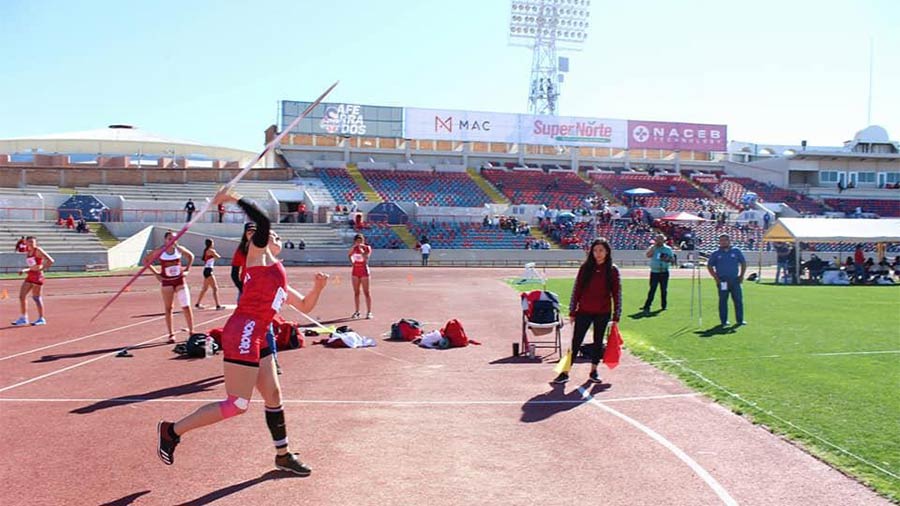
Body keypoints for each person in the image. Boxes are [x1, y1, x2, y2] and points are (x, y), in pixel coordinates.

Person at [157, 185, 328, 476]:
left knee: (273, 395)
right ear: (254, 240)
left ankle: (283, 455)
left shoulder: (277, 274)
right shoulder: (257, 258)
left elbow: (306, 307)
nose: (275, 236)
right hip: (244, 331)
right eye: (269, 235)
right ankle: (172, 431)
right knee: (237, 404)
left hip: (258, 334)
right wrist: (232, 198)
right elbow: (262, 223)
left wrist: (318, 288)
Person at [552, 238, 622, 384]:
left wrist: (617, 314)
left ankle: (594, 370)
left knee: (598, 342)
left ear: (607, 252)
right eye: (595, 250)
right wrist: (572, 311)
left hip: (603, 312)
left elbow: (617, 293)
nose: (598, 253)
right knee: (576, 341)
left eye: (601, 250)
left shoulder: (612, 270)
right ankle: (565, 372)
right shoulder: (585, 268)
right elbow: (577, 289)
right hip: (584, 310)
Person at [232, 222, 282, 374]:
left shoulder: (263, 249)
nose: (251, 234)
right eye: (249, 232)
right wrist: (243, 290)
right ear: (245, 234)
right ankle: (245, 360)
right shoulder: (241, 251)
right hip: (247, 292)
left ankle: (273, 360)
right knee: (244, 326)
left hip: (263, 292)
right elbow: (234, 274)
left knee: (268, 327)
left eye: (254, 231)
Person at [144, 230, 195, 343]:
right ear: (165, 240)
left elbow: (191, 256)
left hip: (179, 280)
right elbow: (146, 260)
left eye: (174, 239)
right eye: (169, 239)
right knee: (169, 308)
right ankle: (171, 334)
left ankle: (192, 331)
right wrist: (156, 274)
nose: (172, 241)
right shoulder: (160, 250)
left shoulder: (179, 249)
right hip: (167, 282)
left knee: (186, 306)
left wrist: (187, 270)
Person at [10, 236, 54, 326]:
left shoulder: (38, 250)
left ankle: (41, 318)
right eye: (30, 241)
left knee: (36, 298)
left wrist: (42, 269)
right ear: (26, 242)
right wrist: (24, 270)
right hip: (30, 275)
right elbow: (32, 266)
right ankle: (23, 318)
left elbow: (51, 260)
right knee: (21, 296)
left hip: (37, 276)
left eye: (33, 242)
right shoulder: (29, 252)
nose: (32, 243)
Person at [706, 234, 747, 327]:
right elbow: (709, 266)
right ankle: (724, 321)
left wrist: (741, 275)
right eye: (721, 240)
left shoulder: (736, 251)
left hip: (735, 280)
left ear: (729, 241)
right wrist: (716, 279)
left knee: (738, 300)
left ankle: (740, 320)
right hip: (722, 281)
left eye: (725, 240)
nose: (723, 242)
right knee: (723, 301)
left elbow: (743, 263)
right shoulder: (716, 253)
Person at [641, 233, 675, 312]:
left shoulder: (668, 249)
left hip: (664, 271)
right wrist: (653, 248)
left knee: (664, 290)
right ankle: (647, 306)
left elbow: (672, 260)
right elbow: (648, 255)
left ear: (664, 240)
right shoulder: (653, 248)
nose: (659, 241)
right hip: (654, 272)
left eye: (660, 239)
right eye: (657, 239)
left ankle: (663, 306)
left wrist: (666, 258)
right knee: (652, 289)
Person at [194, 238, 224, 310]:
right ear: (211, 244)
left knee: (205, 289)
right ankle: (218, 305)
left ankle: (197, 303)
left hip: (206, 270)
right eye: (213, 243)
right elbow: (218, 256)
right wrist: (214, 254)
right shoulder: (211, 250)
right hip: (208, 270)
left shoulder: (206, 251)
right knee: (215, 288)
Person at [349, 233, 373, 319]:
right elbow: (349, 255)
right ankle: (357, 311)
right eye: (357, 241)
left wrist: (362, 250)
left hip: (364, 271)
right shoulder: (354, 248)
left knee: (366, 292)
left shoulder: (367, 248)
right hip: (355, 271)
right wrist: (353, 262)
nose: (359, 242)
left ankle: (369, 312)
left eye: (360, 241)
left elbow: (366, 258)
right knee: (356, 292)